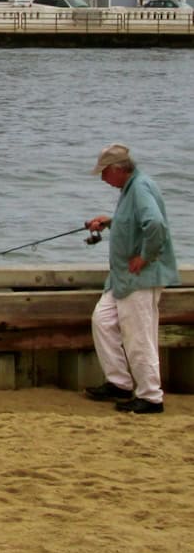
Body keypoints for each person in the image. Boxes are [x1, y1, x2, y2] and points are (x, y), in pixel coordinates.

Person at [83, 143, 179, 414]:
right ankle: (119, 383)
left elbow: (156, 224)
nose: (102, 179)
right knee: (102, 321)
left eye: (104, 173)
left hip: (140, 278)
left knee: (138, 337)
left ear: (117, 170)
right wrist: (111, 221)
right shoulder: (130, 188)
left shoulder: (140, 187)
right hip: (122, 280)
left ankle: (151, 397)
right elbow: (135, 221)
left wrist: (145, 256)